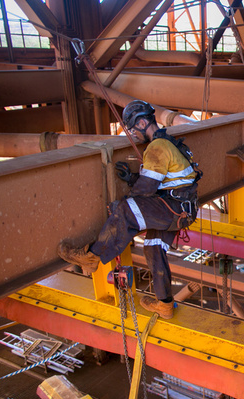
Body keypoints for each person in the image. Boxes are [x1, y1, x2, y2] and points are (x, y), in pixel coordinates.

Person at [58, 100, 201, 319]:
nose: (133, 135)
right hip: (182, 210)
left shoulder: (157, 147)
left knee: (126, 210)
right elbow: (164, 180)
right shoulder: (168, 143)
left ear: (143, 122)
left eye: (133, 129)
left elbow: (147, 189)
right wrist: (134, 177)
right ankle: (164, 304)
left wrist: (122, 204)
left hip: (174, 209)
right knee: (153, 248)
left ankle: (90, 256)